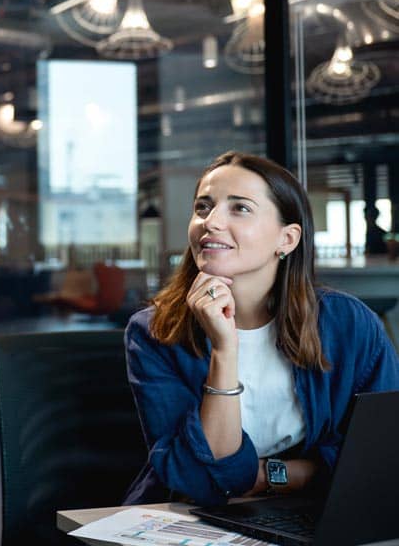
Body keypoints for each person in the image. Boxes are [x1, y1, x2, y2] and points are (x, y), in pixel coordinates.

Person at [124, 151, 399, 506]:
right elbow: (199, 479)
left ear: (286, 239)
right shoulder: (155, 332)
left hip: (315, 512)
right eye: (203, 207)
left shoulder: (348, 324)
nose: (211, 221)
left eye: (239, 208)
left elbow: (379, 457)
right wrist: (225, 350)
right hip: (187, 518)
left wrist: (265, 476)